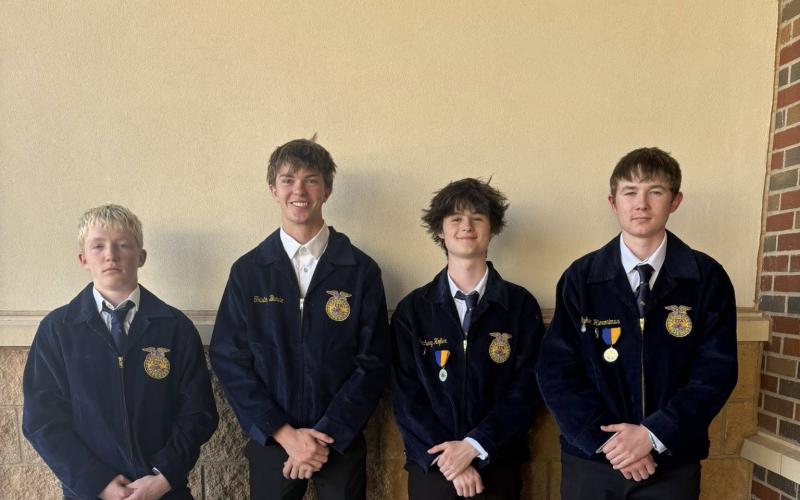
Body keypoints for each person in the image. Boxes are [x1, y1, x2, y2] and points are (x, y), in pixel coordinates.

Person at [536, 147, 738, 499]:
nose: (641, 204)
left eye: (655, 192)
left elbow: (715, 372)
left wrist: (653, 434)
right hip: (593, 462)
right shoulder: (581, 278)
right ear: (613, 203)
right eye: (630, 192)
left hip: (672, 460)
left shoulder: (706, 278)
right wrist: (609, 443)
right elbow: (556, 371)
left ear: (675, 201)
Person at [209, 138, 390, 500]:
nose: (299, 190)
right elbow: (230, 358)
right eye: (288, 180)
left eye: (311, 180)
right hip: (273, 440)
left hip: (339, 440)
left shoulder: (361, 271)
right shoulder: (249, 272)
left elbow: (373, 361)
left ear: (327, 189)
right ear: (273, 189)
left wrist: (325, 436)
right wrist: (284, 433)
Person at [23, 204, 218, 500]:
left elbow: (198, 412)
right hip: (90, 492)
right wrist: (97, 482)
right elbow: (42, 420)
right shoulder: (57, 330)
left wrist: (163, 477)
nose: (111, 255)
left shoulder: (175, 328)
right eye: (98, 246)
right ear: (83, 258)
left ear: (141, 256)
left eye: (123, 245)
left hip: (164, 491)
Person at [391, 178, 544, 499]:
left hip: (497, 462)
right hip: (433, 466)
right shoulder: (413, 311)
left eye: (477, 218)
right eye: (455, 219)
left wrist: (475, 445)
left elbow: (527, 390)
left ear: (493, 228)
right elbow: (405, 396)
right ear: (440, 229)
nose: (467, 227)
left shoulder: (520, 306)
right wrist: (450, 460)